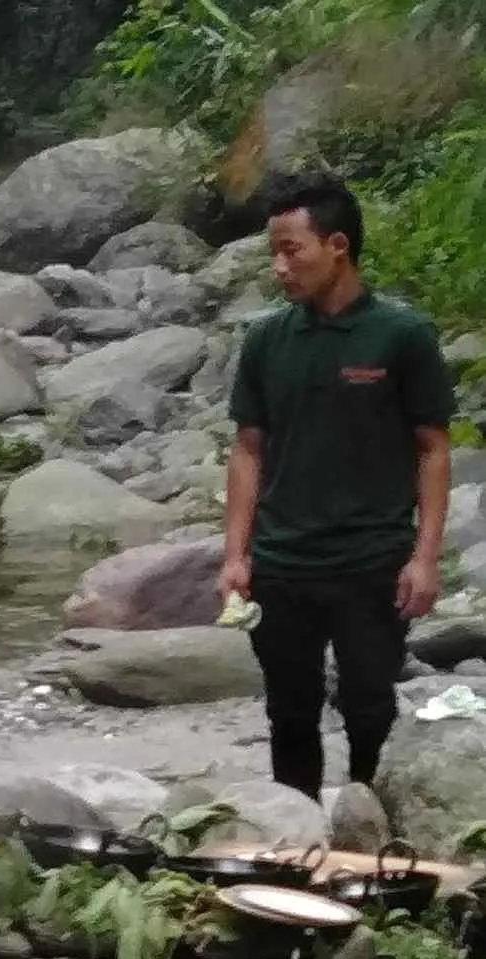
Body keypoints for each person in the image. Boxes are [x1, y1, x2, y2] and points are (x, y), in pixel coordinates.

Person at [220, 172, 456, 801]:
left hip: (372, 560)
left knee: (369, 705)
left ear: (338, 246)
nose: (279, 266)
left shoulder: (400, 335)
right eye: (273, 251)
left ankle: (370, 830)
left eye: (291, 249)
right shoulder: (267, 340)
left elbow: (433, 450)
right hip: (283, 560)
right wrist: (236, 556)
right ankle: (294, 833)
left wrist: (424, 559)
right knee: (289, 712)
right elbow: (247, 451)